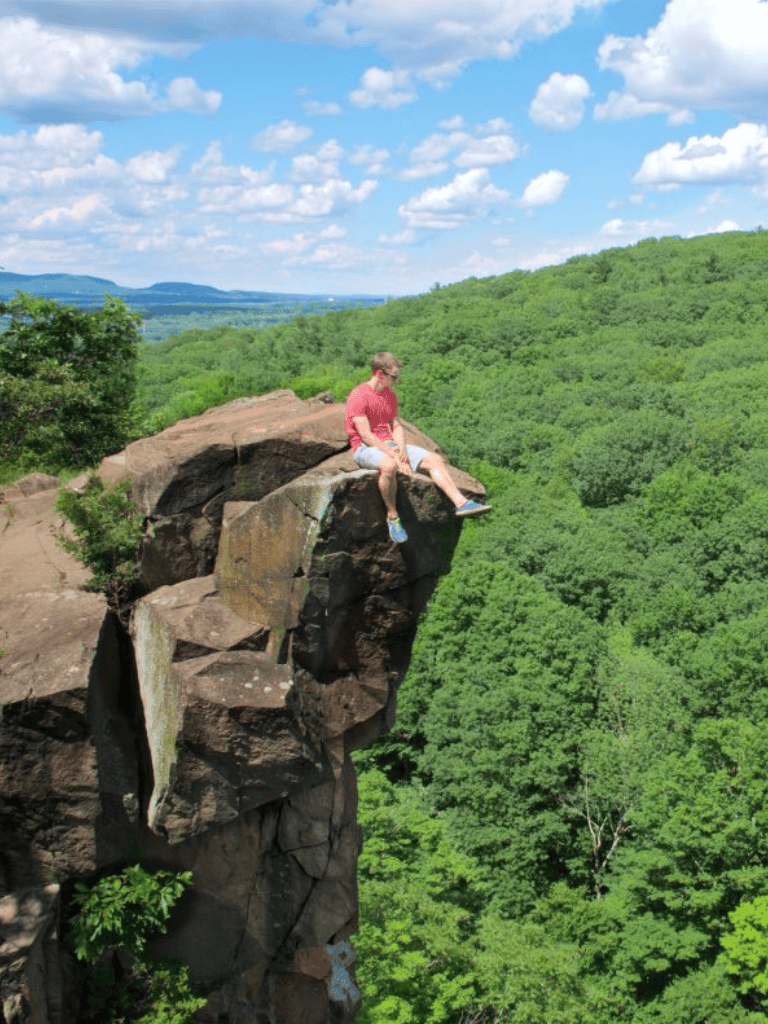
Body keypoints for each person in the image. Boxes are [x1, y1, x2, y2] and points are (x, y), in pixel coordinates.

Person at [345, 351, 492, 543]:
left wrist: (402, 449)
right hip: (365, 448)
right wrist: (395, 457)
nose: (396, 381)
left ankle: (461, 503)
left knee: (434, 459)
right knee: (389, 466)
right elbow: (365, 435)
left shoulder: (390, 396)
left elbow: (395, 426)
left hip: (389, 445)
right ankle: (393, 517)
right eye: (394, 377)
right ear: (380, 374)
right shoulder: (359, 395)